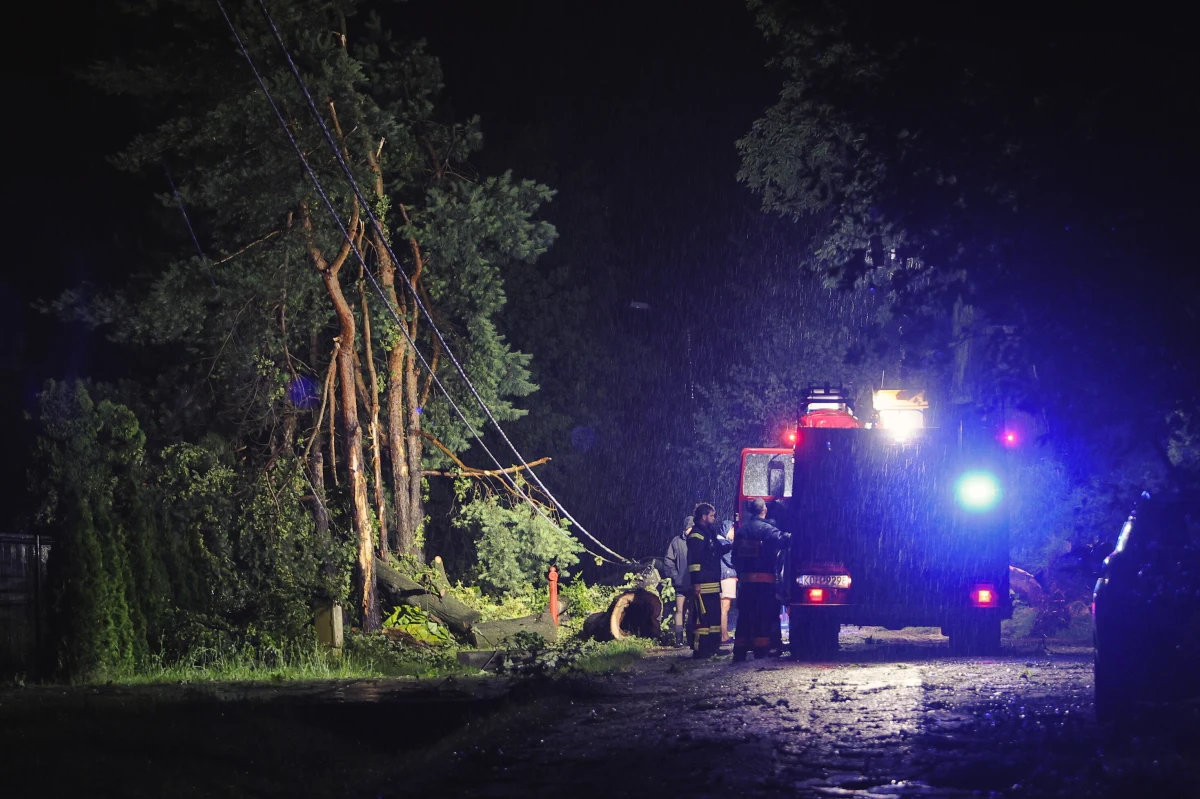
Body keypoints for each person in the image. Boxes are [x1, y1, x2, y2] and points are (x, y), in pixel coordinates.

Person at [731, 497, 788, 662]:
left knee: (745, 616)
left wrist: (743, 573)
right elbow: (784, 540)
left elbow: (735, 557)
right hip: (765, 583)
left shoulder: (741, 531)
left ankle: (740, 650)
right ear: (765, 510)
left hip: (746, 583)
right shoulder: (767, 529)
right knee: (764, 615)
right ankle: (760, 649)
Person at [687, 502, 730, 658]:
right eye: (712, 515)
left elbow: (719, 550)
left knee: (714, 616)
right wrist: (696, 582)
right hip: (703, 583)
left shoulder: (709, 533)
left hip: (712, 582)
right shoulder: (696, 534)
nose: (714, 517)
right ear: (704, 516)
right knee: (702, 617)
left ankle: (713, 647)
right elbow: (694, 561)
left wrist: (734, 545)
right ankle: (700, 649)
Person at [662, 515, 693, 647]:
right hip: (689, 583)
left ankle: (682, 639)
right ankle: (683, 639)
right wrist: (677, 577)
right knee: (686, 611)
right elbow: (668, 562)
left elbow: (668, 562)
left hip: (685, 583)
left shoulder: (676, 541)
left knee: (683, 611)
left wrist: (675, 576)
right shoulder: (694, 541)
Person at [718, 519, 738, 644]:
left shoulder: (721, 542)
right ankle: (723, 636)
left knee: (724, 607)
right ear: (728, 529)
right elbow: (731, 561)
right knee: (724, 607)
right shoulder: (723, 543)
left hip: (725, 576)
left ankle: (724, 634)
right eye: (734, 530)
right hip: (727, 577)